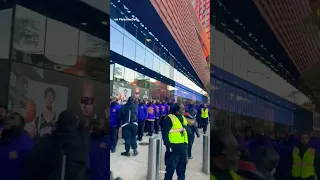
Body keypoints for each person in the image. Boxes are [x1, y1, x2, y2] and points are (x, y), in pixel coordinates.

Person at [23, 110, 90, 180]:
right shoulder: (82, 145)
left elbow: (30, 170)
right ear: (76, 125)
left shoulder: (45, 144)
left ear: (58, 124)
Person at [0, 112, 35, 180]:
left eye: (12, 118)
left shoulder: (27, 145)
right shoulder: (3, 142)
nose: (7, 119)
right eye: (7, 118)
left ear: (20, 124)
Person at [162, 103, 188, 180]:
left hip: (183, 148)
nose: (184, 110)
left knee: (182, 170)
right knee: (170, 169)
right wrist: (168, 146)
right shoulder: (169, 118)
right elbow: (165, 133)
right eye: (182, 108)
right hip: (174, 148)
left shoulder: (183, 118)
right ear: (177, 111)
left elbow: (185, 131)